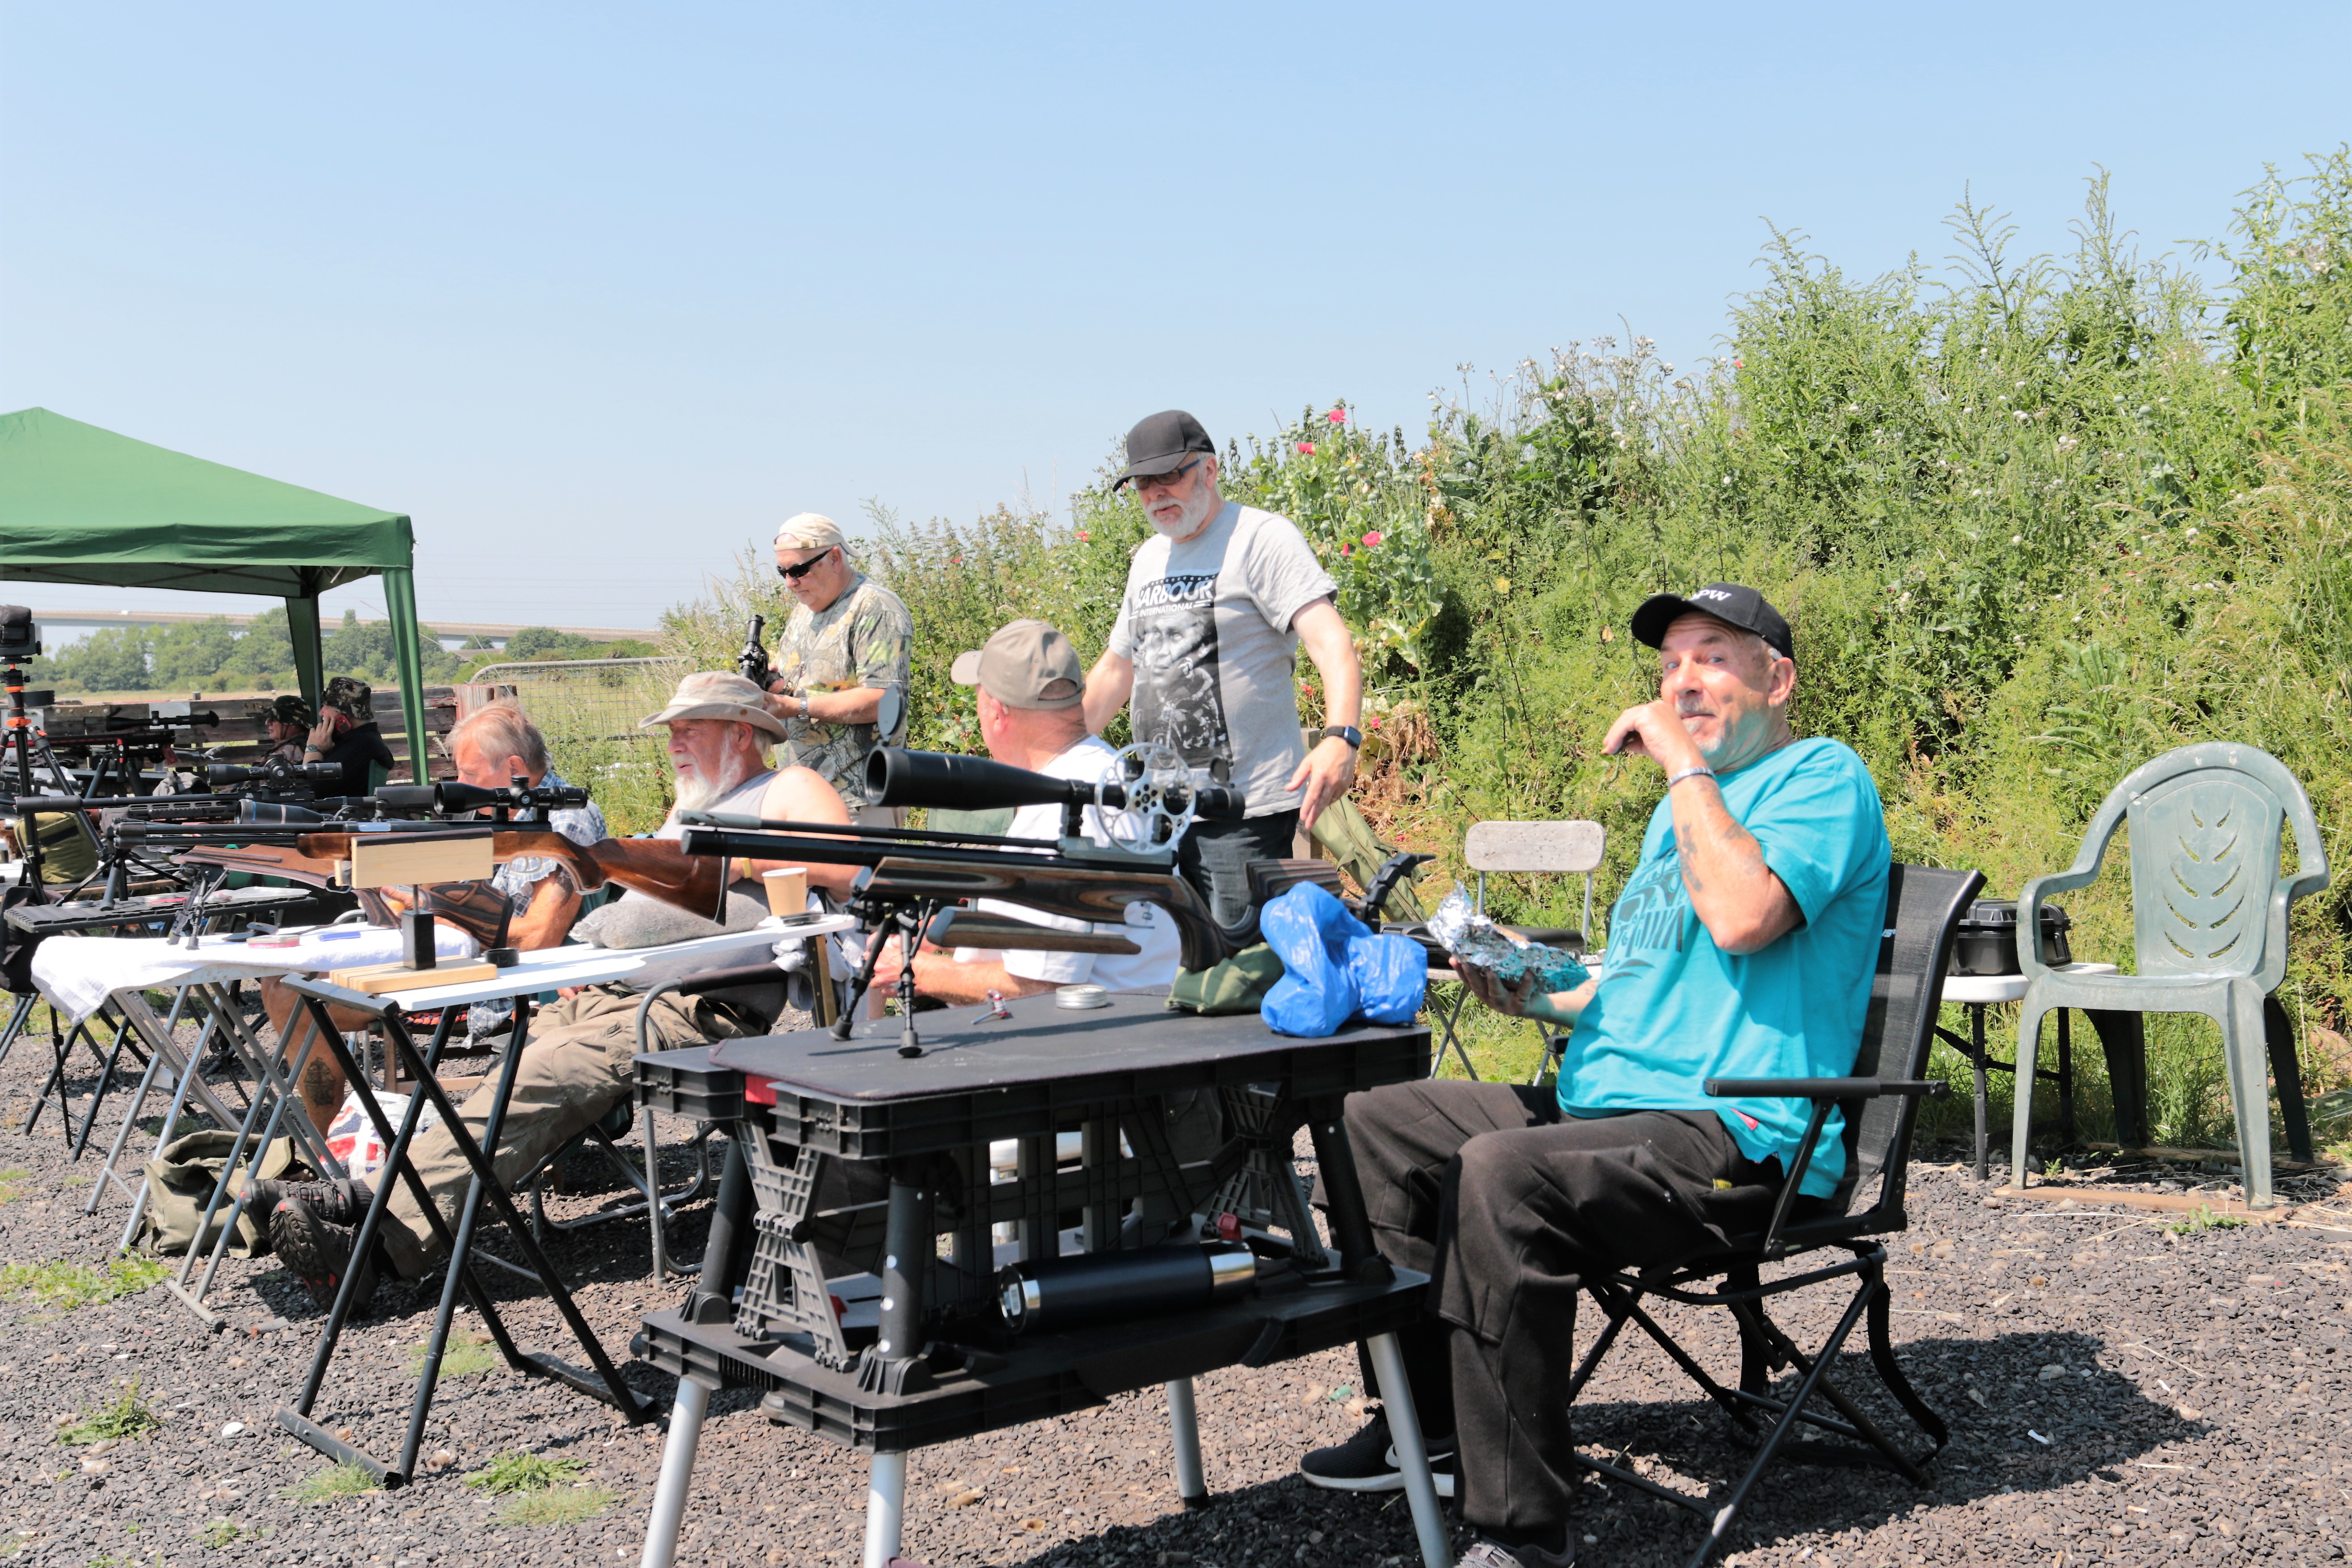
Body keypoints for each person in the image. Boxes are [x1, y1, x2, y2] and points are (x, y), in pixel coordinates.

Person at [1294, 585, 1891, 1568]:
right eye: (1669, 664)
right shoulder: (1678, 818)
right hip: (1611, 1113)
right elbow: (1628, 989)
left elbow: (1744, 918)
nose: (1681, 681)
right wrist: (1521, 981)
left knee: (1501, 1172)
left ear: (1777, 680)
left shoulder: (1822, 779)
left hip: (1738, 1134)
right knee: (1375, 1122)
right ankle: (1430, 1425)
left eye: (1712, 656)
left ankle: (1521, 1533)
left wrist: (1682, 766)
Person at [261, 670, 861, 1309]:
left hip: (699, 1008)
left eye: (690, 729)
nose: (674, 743)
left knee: (541, 1074)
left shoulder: (789, 787)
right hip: (613, 992)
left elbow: (849, 865)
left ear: (742, 733)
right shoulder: (693, 801)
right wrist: (591, 959)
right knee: (508, 1073)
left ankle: (380, 1242)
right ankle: (365, 1198)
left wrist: (734, 859)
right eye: (673, 732)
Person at [1083, 410, 1364, 931]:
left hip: (1242, 816)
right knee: (1171, 963)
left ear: (1209, 471)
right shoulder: (1148, 560)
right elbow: (1116, 671)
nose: (1156, 493)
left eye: (1171, 476)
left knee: (1239, 967)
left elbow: (1332, 642)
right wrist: (1055, 752)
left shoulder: (1261, 538)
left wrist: (1341, 738)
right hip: (1158, 815)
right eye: (1143, 483)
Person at [868, 619, 1181, 1005]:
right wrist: (955, 934)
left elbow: (1041, 987)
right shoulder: (1111, 774)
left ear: (997, 713)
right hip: (1138, 1011)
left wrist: (916, 970)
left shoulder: (1059, 810)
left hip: (1090, 1029)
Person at [756, 512, 914, 826]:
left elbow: (884, 700)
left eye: (799, 570)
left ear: (835, 558)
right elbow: (811, 685)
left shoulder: (876, 608)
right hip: (806, 798)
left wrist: (795, 707)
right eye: (783, 572)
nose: (790, 583)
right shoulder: (805, 611)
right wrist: (775, 684)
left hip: (859, 798)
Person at [302, 675, 397, 798]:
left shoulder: (362, 746)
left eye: (326, 706)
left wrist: (314, 749)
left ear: (343, 715)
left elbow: (309, 791)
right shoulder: (356, 742)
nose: (321, 712)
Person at [260, 694, 314, 768]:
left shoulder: (289, 752)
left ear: (293, 724)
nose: (267, 723)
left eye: (273, 718)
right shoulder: (309, 743)